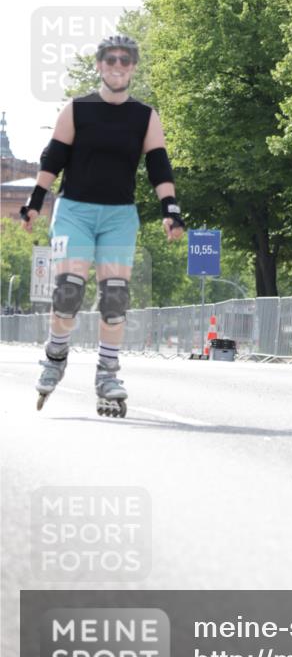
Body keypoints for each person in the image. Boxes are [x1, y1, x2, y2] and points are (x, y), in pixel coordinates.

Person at [20, 34, 185, 416]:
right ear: (99, 65)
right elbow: (53, 158)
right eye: (109, 59)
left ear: (133, 67)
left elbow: (159, 166)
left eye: (124, 60)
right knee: (68, 292)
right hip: (74, 210)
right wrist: (34, 203)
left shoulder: (145, 115)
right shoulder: (77, 108)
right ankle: (55, 355)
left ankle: (107, 373)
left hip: (118, 215)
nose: (116, 66)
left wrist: (171, 210)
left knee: (114, 298)